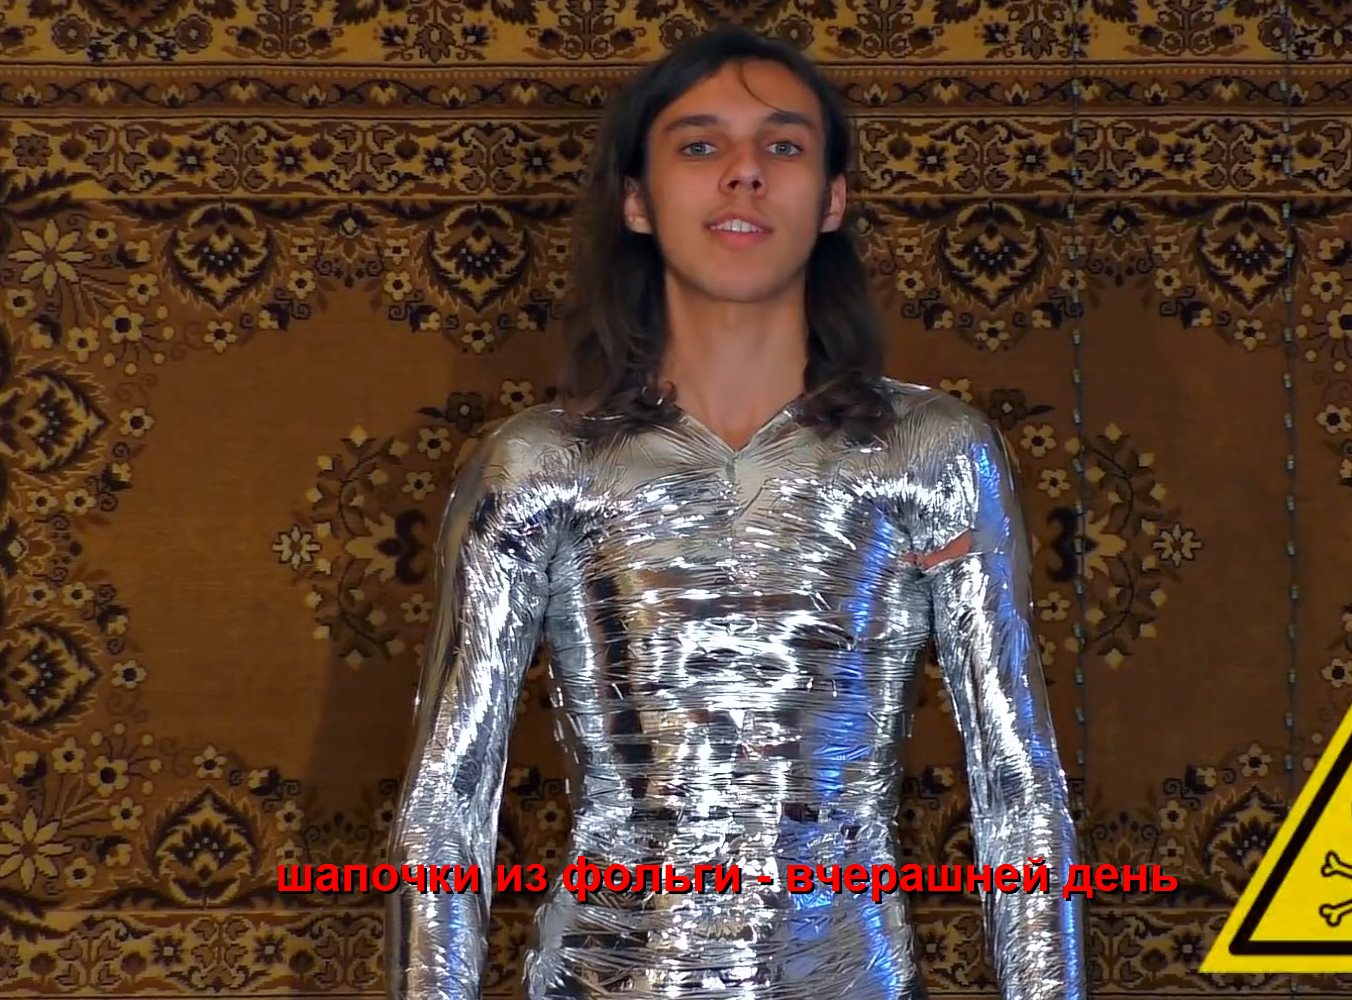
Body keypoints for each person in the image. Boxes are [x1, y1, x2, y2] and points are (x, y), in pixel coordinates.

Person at [385, 23, 1085, 1000]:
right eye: (700, 145)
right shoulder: (545, 464)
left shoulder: (929, 455)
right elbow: (448, 797)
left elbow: (1017, 783)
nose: (744, 173)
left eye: (783, 145)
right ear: (637, 199)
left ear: (832, 198)